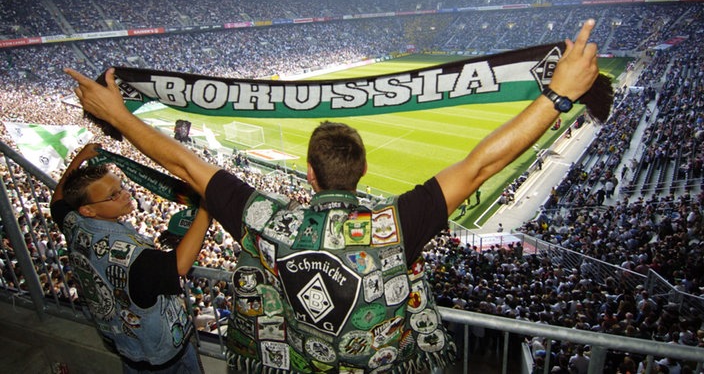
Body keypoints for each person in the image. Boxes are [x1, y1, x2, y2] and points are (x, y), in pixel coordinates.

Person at [65, 19, 600, 373]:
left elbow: (184, 163)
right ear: (363, 169)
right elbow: (481, 162)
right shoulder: (398, 222)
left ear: (309, 175)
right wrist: (558, 95)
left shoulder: (267, 219)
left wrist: (117, 115)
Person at [50, 143, 212, 373]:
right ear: (88, 210)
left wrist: (81, 158)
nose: (126, 194)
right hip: (163, 354)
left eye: (121, 187)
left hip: (126, 345)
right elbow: (179, 265)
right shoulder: (132, 257)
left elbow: (56, 201)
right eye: (113, 195)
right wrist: (207, 207)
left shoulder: (75, 224)